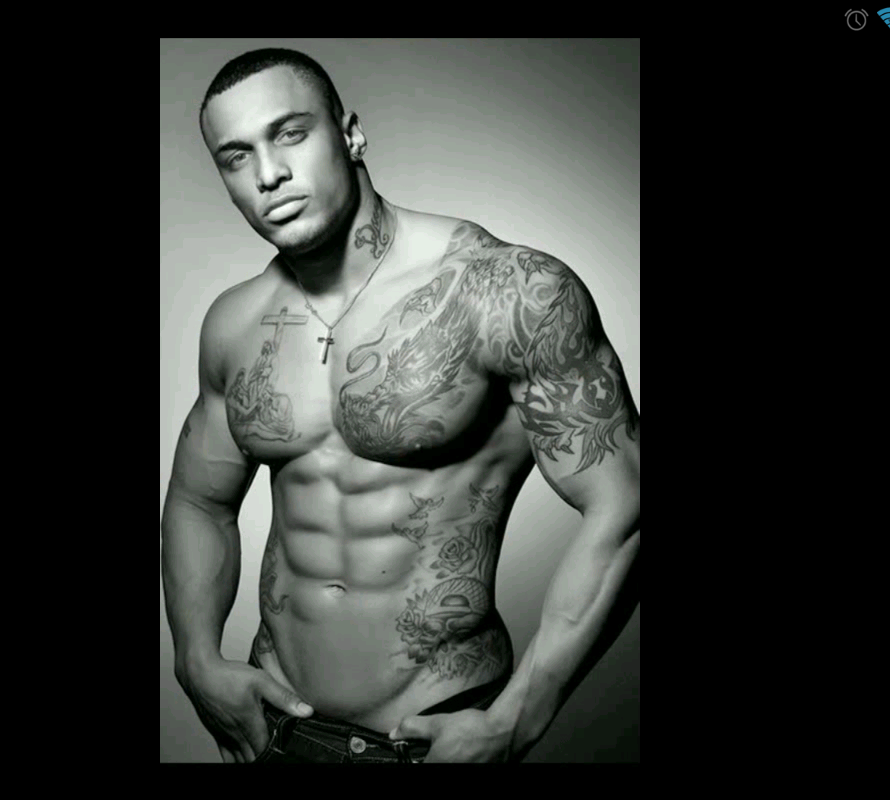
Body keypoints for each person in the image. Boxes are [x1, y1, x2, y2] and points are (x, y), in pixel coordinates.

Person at [161, 48, 640, 764]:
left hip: (432, 734)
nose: (268, 174)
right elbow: (199, 501)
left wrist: (516, 720)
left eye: (290, 134)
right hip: (276, 729)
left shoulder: (504, 290)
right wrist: (196, 659)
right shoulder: (235, 323)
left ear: (350, 133)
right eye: (237, 157)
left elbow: (626, 505)